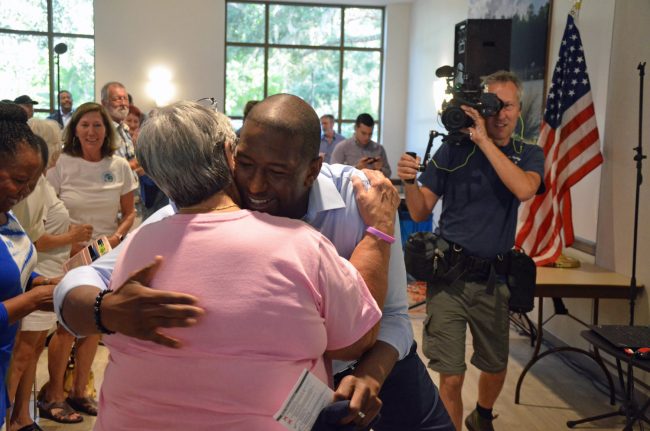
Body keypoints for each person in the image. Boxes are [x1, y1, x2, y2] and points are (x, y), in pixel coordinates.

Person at [54, 94, 454, 430]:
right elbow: (84, 277)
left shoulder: (362, 199)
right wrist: (104, 309)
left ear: (313, 168)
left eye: (277, 172)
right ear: (231, 154)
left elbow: (396, 316)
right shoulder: (187, 216)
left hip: (378, 364)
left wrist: (371, 373)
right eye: (245, 165)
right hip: (298, 398)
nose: (257, 186)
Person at [397, 70, 545, 431]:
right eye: (490, 105)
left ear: (518, 108)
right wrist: (409, 182)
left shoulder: (529, 154)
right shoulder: (453, 149)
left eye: (505, 105)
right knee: (450, 375)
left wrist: (483, 142)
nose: (498, 114)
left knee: (494, 366)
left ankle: (481, 414)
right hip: (449, 277)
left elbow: (525, 190)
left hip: (493, 281)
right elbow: (419, 211)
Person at [42, 102, 137, 418]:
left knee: (96, 323)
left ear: (106, 130)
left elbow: (130, 212)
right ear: (75, 129)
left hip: (105, 256)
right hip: (66, 254)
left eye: (98, 125)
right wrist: (69, 238)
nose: (91, 131)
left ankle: (81, 391)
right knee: (66, 327)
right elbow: (48, 209)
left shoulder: (119, 165)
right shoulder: (63, 165)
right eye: (85, 125)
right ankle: (54, 394)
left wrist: (116, 238)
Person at [8, 119, 89, 429]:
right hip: (34, 272)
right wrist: (72, 236)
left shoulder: (42, 183)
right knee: (22, 353)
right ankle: (10, 418)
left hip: (44, 270)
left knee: (31, 351)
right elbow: (30, 238)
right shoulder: (27, 186)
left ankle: (20, 416)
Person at [0, 102, 57, 430]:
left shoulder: (7, 219)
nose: (26, 192)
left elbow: (14, 269)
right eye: (19, 179)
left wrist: (38, 282)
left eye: (34, 182)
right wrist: (32, 301)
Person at [331, 113, 391, 177]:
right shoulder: (342, 147)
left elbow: (388, 173)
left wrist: (380, 169)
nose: (367, 137)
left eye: (370, 134)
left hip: (374, 186)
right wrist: (356, 168)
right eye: (363, 133)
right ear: (355, 128)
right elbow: (333, 174)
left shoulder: (379, 149)